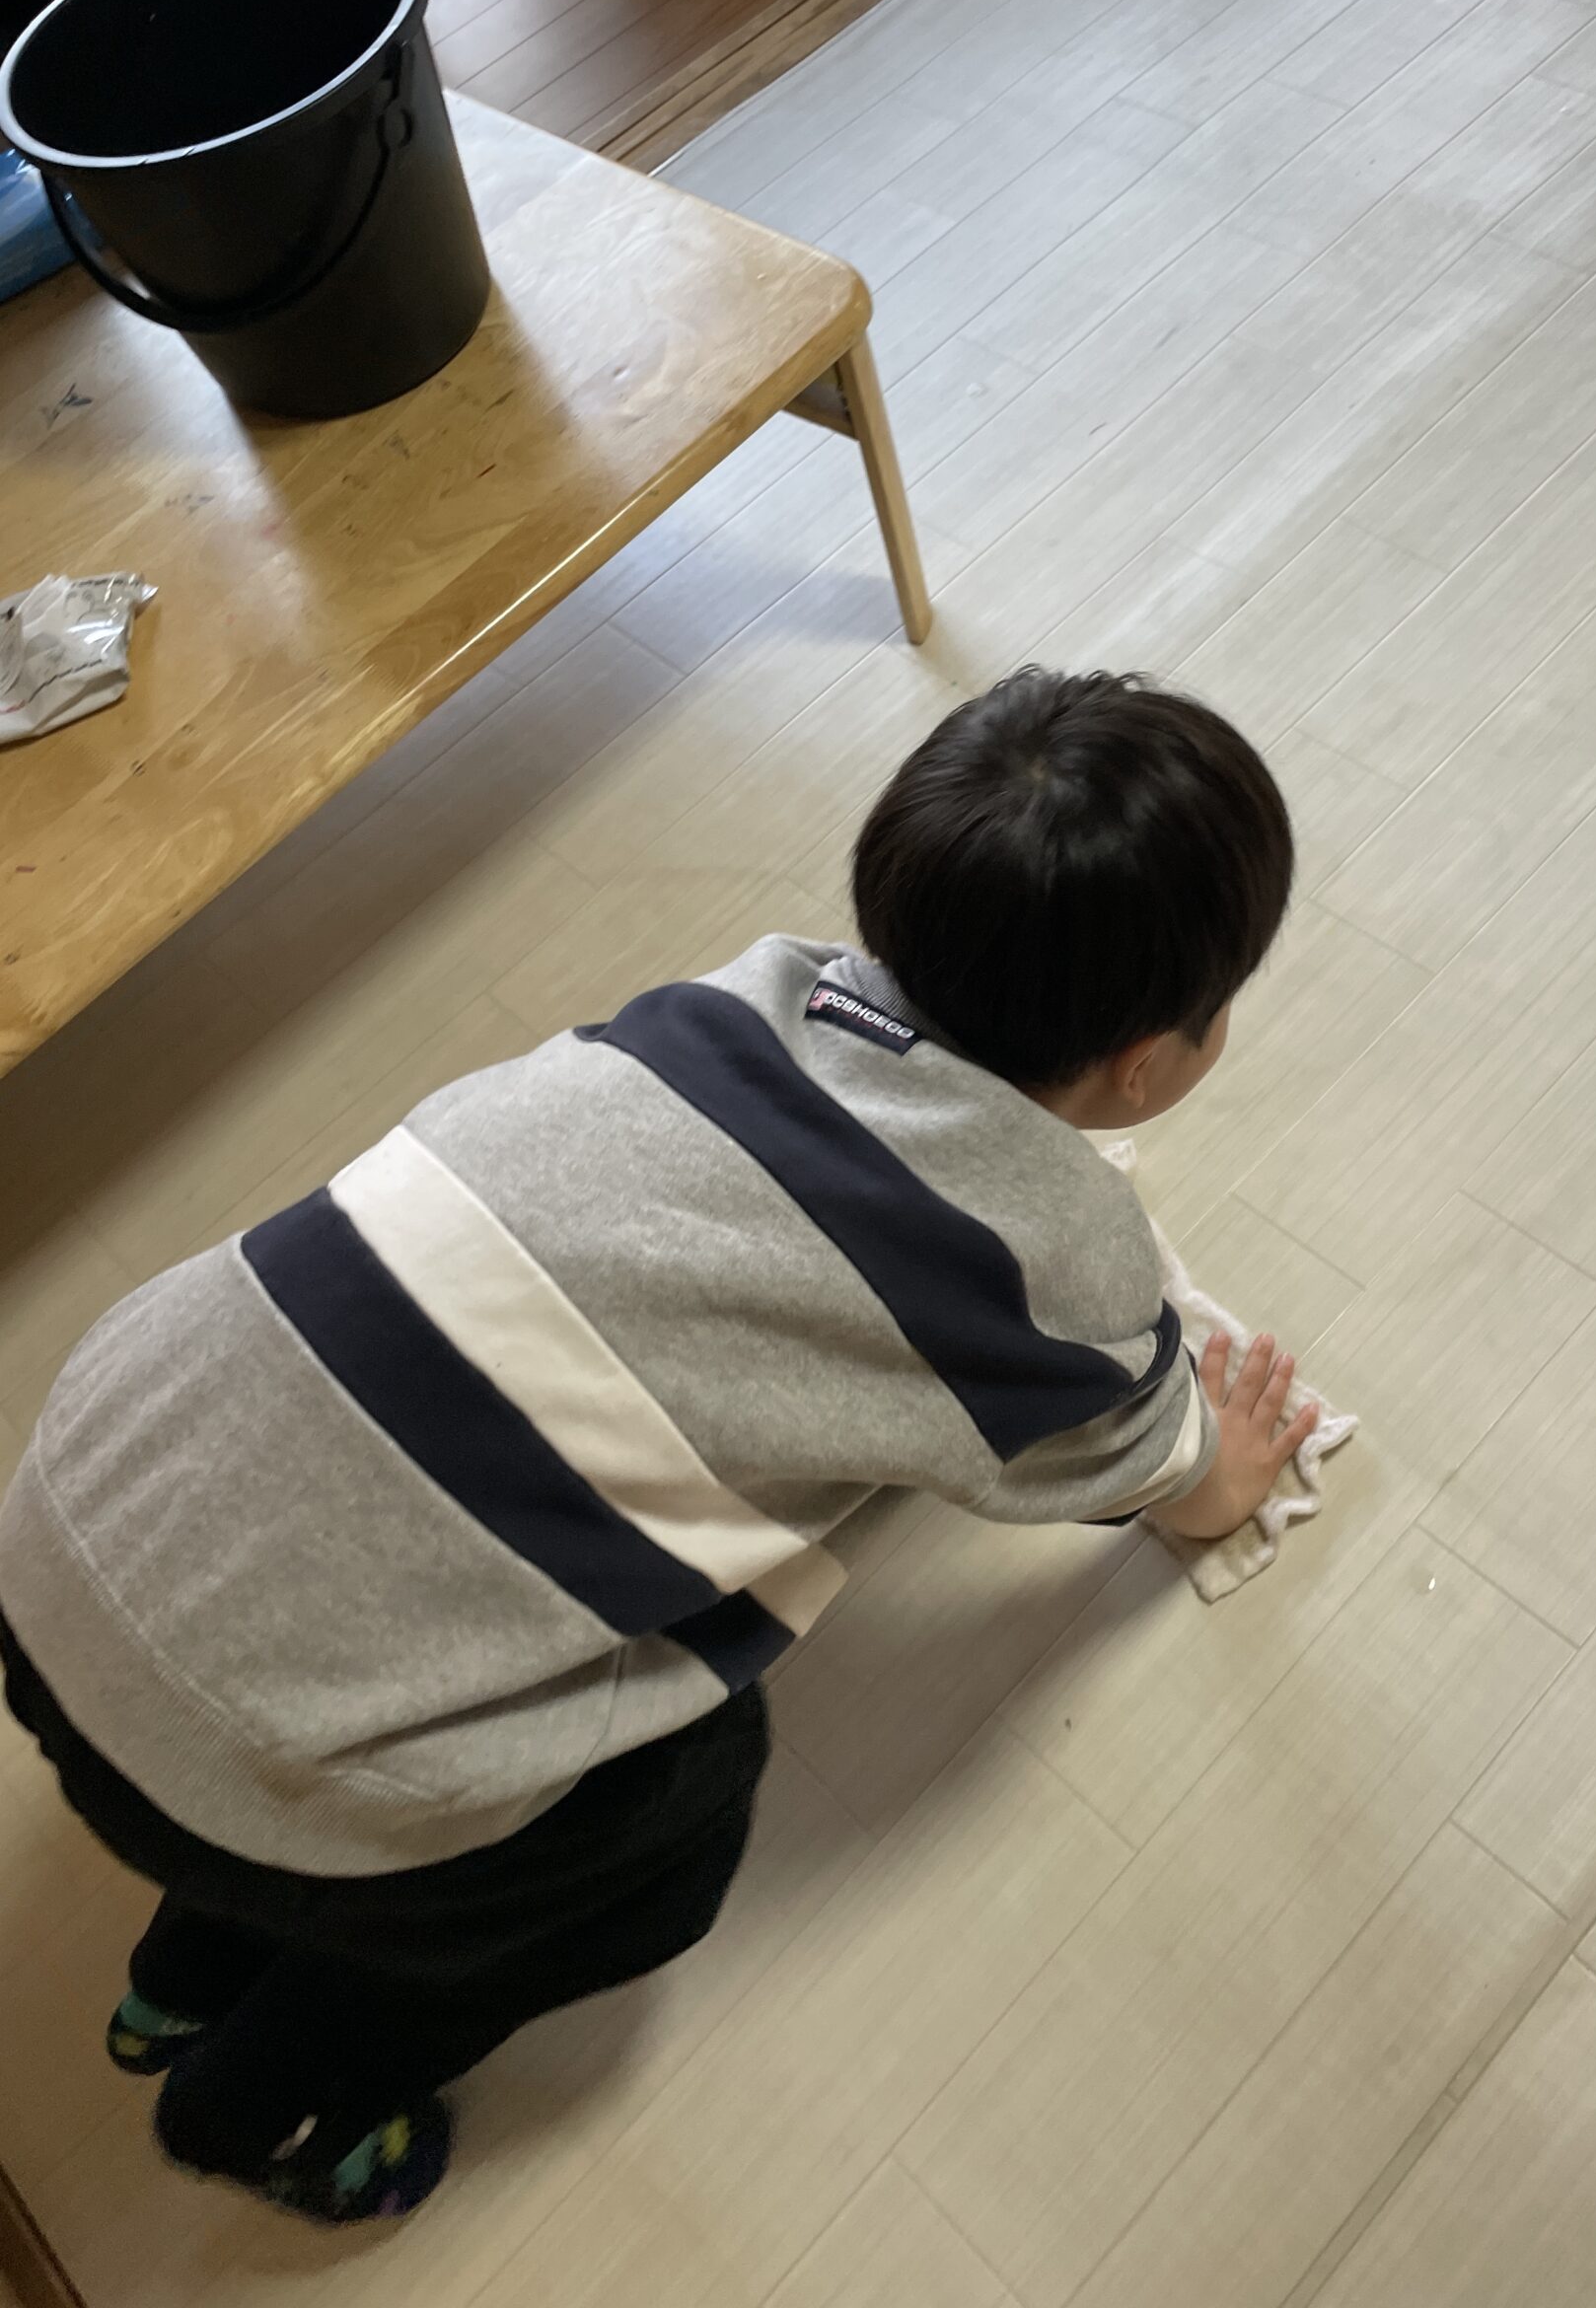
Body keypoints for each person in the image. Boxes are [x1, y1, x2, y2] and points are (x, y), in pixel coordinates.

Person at [0, 667, 1309, 2226]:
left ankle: (180, 1971)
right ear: (1150, 1062)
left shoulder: (739, 1001)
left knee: (308, 1631)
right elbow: (1144, 1465)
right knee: (671, 1822)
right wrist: (1223, 1469)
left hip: (76, 1513)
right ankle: (264, 2102)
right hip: (266, 1756)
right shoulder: (1047, 1260)